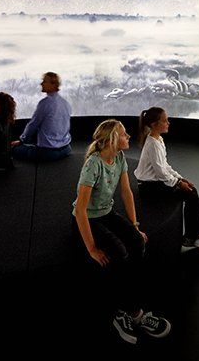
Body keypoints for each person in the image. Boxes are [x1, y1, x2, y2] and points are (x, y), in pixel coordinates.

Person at [72, 119, 171, 345]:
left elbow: (126, 192)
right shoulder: (93, 164)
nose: (128, 137)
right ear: (113, 140)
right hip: (88, 218)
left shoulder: (119, 157)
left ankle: (129, 298)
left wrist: (135, 225)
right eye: (124, 134)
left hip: (106, 213)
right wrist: (91, 248)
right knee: (120, 254)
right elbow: (80, 210)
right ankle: (128, 313)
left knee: (138, 243)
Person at [134, 107, 199, 250]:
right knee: (190, 193)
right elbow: (161, 173)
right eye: (165, 121)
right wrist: (179, 184)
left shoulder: (158, 139)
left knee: (191, 190)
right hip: (149, 188)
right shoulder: (153, 144)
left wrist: (181, 178)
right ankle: (195, 237)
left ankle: (195, 235)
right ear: (155, 124)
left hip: (154, 183)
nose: (168, 123)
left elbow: (165, 166)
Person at [11, 72, 72, 162]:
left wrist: (22, 140)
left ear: (53, 84)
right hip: (66, 149)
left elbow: (33, 125)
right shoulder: (65, 103)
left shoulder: (45, 103)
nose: (41, 83)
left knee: (14, 150)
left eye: (44, 81)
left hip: (48, 153)